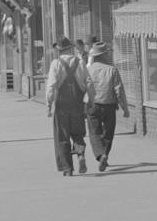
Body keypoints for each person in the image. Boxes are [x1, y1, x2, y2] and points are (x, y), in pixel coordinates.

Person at [45, 37, 90, 176]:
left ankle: (68, 169)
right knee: (77, 133)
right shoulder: (81, 62)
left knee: (62, 137)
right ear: (70, 48)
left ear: (59, 50)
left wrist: (48, 104)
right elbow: (88, 83)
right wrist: (91, 101)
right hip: (77, 104)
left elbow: (51, 86)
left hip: (62, 106)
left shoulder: (56, 64)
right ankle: (80, 153)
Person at [84, 40, 130, 172]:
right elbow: (119, 90)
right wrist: (125, 108)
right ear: (103, 55)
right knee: (108, 133)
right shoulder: (112, 70)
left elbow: (83, 88)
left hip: (92, 105)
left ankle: (100, 155)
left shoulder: (88, 70)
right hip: (109, 105)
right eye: (107, 53)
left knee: (94, 133)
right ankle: (105, 154)